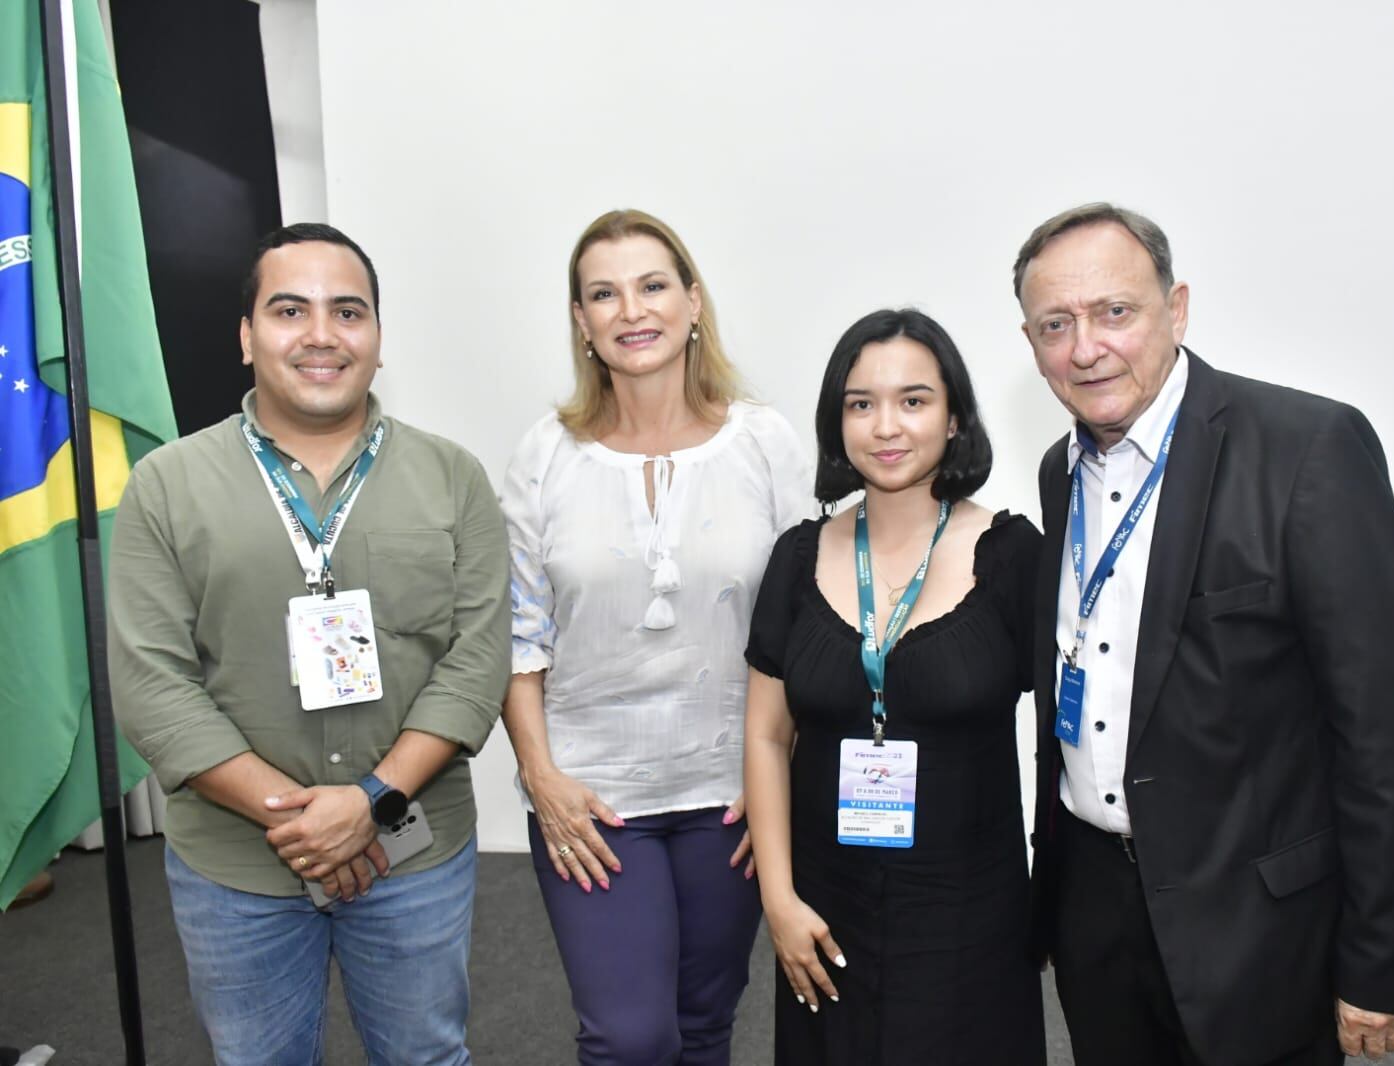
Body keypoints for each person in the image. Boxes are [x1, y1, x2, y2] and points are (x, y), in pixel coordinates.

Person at [1015, 202, 1394, 1065]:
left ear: (1174, 309)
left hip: (1256, 921)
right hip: (1096, 910)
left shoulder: (1307, 450)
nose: (1085, 347)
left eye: (1115, 312)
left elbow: (1393, 738)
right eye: (1054, 325)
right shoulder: (1058, 472)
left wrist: (1386, 963)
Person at [108, 223, 511, 1065]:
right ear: (247, 336)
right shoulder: (166, 485)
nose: (322, 335)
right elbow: (153, 683)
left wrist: (367, 805)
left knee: (427, 1058)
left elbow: (475, 662)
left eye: (348, 311)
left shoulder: (453, 478)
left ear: (376, 337)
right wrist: (301, 821)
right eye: (290, 310)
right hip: (238, 863)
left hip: (411, 849)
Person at [500, 209, 810, 1065]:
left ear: (693, 302)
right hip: (592, 800)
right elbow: (520, 639)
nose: (631, 310)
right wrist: (541, 778)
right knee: (631, 1038)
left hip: (732, 791)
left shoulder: (765, 443)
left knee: (705, 1024)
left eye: (652, 285)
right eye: (603, 293)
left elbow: (801, 625)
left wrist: (781, 769)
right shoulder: (545, 454)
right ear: (581, 322)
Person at [744, 308, 1046, 1066]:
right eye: (860, 403)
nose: (886, 425)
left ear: (953, 419)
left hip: (970, 912)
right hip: (824, 904)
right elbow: (766, 734)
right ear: (836, 421)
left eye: (914, 400)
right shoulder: (796, 555)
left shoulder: (1012, 556)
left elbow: (1073, 734)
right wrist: (778, 900)